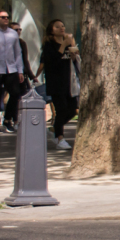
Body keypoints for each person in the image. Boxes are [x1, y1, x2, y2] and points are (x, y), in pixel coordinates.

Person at [36, 19, 79, 150]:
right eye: (58, 26)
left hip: (68, 82)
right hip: (56, 83)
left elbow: (72, 62)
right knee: (61, 110)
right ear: (52, 30)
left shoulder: (67, 44)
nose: (62, 28)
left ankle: (54, 128)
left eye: (63, 26)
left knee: (72, 109)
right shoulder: (49, 45)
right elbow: (52, 62)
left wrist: (73, 53)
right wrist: (62, 46)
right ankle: (60, 138)